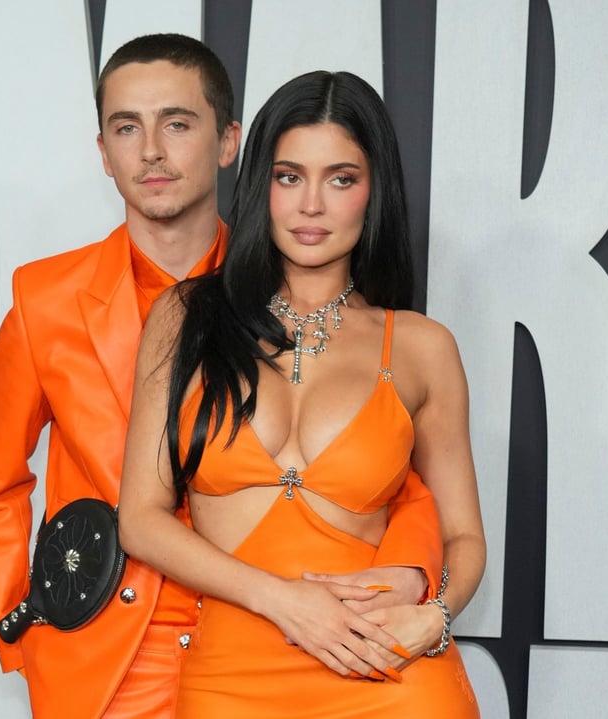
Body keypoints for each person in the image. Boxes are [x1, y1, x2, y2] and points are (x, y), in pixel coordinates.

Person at [0, 35, 444, 719]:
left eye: (177, 124)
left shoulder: (303, 292)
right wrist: (31, 625)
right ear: (103, 150)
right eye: (126, 128)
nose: (151, 151)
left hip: (274, 640)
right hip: (110, 661)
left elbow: (403, 477)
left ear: (228, 143)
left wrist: (413, 577)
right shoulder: (45, 301)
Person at [119, 70, 485, 717]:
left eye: (341, 178)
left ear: (374, 193)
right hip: (234, 678)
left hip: (389, 675)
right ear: (261, 184)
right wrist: (284, 600)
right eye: (290, 176)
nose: (311, 204)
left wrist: (435, 614)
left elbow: (463, 538)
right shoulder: (187, 317)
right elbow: (140, 520)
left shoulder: (423, 347)